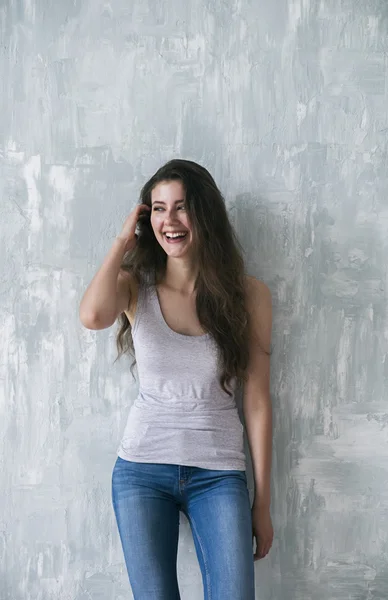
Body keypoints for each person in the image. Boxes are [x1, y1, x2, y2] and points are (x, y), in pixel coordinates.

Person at [79, 159, 273, 600]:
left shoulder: (250, 295)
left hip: (219, 474)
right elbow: (91, 316)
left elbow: (258, 400)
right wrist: (122, 240)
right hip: (142, 470)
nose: (171, 221)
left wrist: (261, 503)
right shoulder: (134, 287)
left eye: (182, 208)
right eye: (159, 209)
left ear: (205, 214)